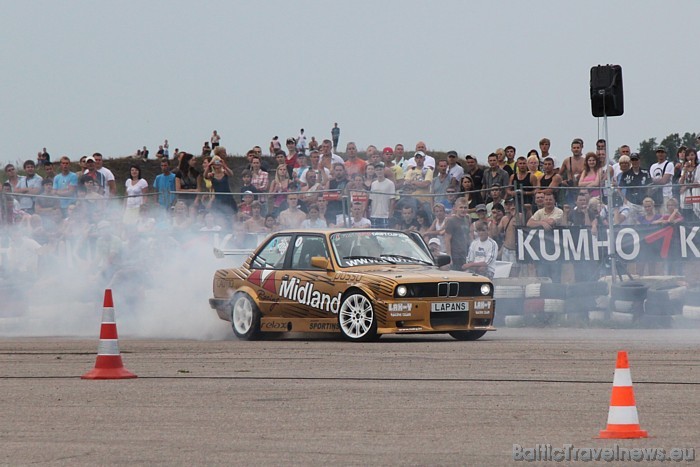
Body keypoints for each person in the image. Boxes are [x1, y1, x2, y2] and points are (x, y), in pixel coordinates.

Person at [527, 192, 563, 282]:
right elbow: (529, 223)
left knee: (556, 275)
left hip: (556, 249)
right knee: (542, 275)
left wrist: (538, 222)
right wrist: (542, 223)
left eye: (550, 199)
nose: (548, 201)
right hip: (541, 250)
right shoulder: (539, 212)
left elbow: (551, 222)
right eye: (546, 200)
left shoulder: (559, 211)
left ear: (554, 201)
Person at [205, 155, 237, 220]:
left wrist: (224, 165)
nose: (217, 164)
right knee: (219, 216)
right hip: (218, 198)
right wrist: (209, 165)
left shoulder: (225, 173)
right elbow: (205, 176)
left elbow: (231, 174)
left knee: (231, 215)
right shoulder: (212, 175)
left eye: (218, 162)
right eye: (215, 162)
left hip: (228, 197)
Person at [444, 198, 471, 271]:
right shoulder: (451, 220)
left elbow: (468, 236)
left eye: (465, 207)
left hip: (465, 254)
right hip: (455, 255)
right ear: (456, 208)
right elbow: (447, 239)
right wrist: (449, 257)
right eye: (461, 207)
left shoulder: (467, 219)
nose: (463, 210)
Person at [559, 138, 586, 206]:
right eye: (574, 148)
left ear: (581, 148)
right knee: (570, 207)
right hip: (570, 188)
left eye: (578, 147)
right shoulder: (567, 161)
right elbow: (559, 175)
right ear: (571, 149)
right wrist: (562, 181)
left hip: (581, 188)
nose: (576, 149)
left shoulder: (585, 161)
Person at [369, 162, 395, 228]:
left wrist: (390, 214)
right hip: (374, 214)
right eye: (377, 170)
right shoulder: (373, 184)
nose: (379, 171)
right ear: (375, 171)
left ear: (384, 170)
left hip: (385, 215)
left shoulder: (390, 183)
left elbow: (392, 200)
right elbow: (371, 199)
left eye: (380, 169)